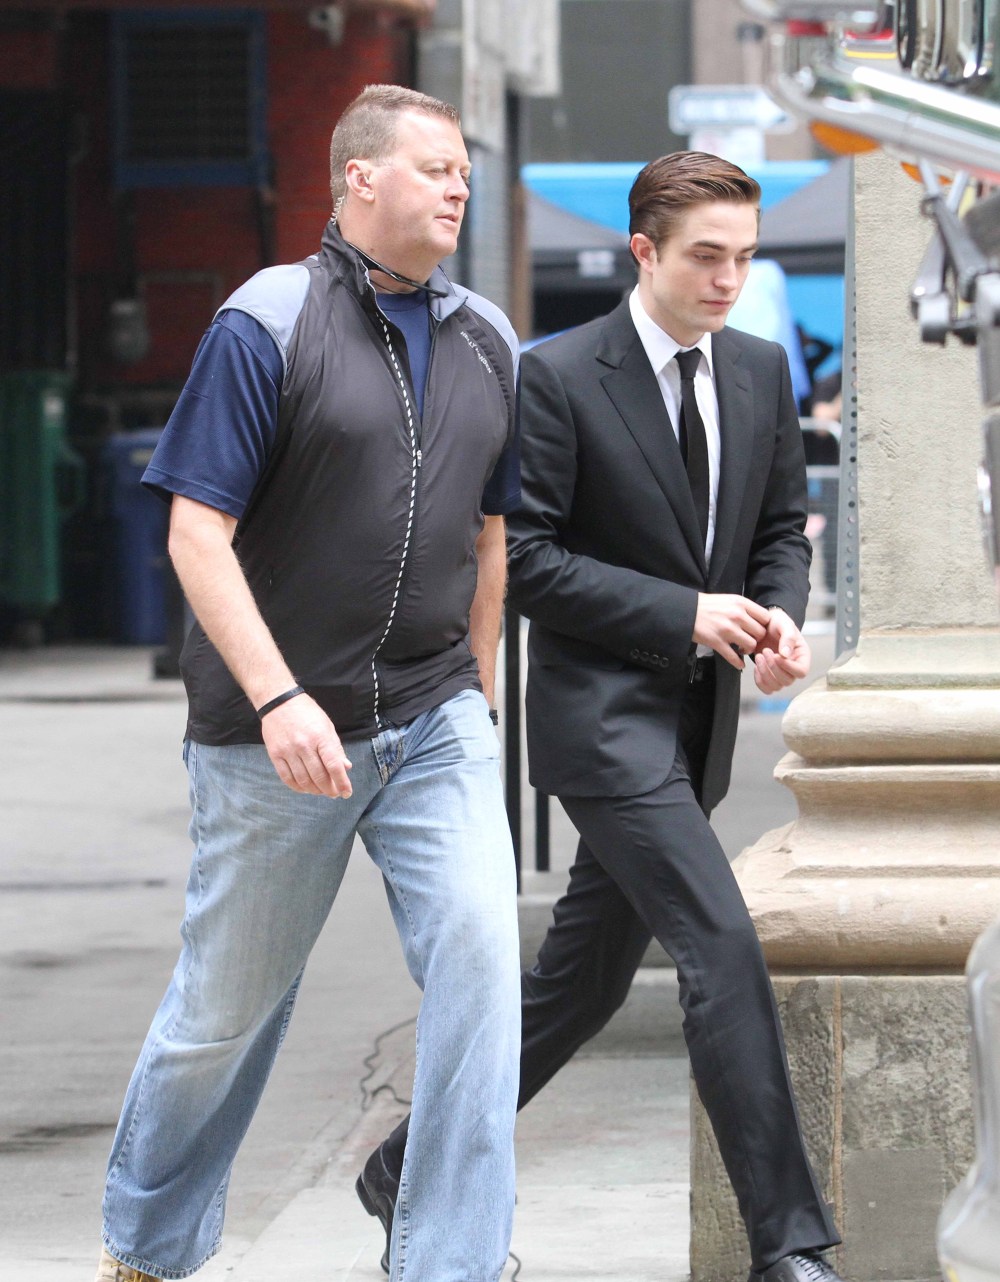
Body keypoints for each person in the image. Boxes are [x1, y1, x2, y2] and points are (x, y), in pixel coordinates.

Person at [360, 151, 846, 1282]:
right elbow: (526, 559)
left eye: (744, 258)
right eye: (705, 258)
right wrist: (685, 613)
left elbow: (778, 528)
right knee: (720, 944)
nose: (728, 280)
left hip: (694, 731)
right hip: (601, 724)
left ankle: (401, 1168)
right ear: (642, 252)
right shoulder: (560, 377)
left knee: (579, 985)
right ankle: (789, 1247)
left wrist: (777, 614)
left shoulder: (761, 370)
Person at [96, 84, 522, 1282]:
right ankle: (148, 1248)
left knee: (483, 976)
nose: (458, 186)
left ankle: (451, 1262)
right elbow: (196, 534)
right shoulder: (265, 323)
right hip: (272, 736)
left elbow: (491, 532)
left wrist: (480, 695)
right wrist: (281, 698)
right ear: (359, 178)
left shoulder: (488, 339)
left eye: (463, 171)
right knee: (225, 1012)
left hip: (434, 716)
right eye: (434, 167)